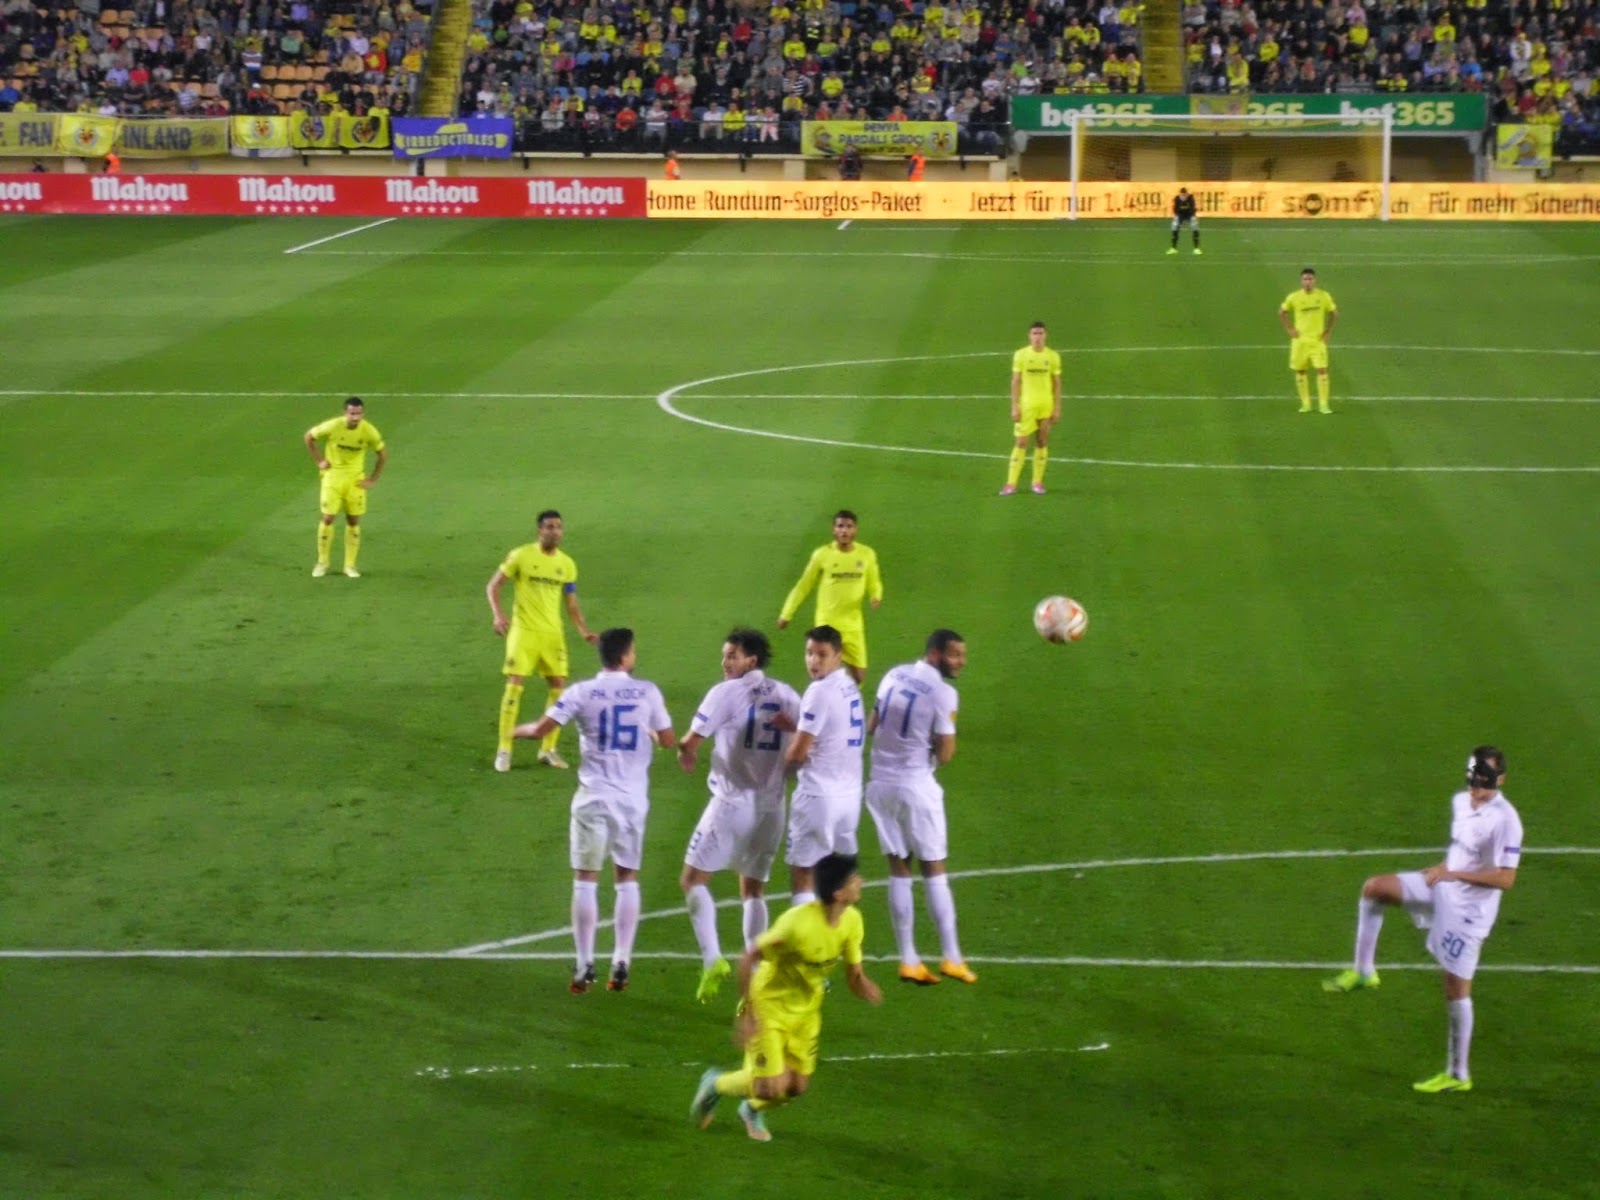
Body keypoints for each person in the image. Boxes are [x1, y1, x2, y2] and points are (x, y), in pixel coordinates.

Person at [1323, 747, 1523, 1094]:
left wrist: (1454, 874)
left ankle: (1458, 1074)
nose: (1477, 785)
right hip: (1442, 886)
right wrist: (1442, 870)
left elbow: (1506, 879)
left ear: (1501, 779)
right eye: (1473, 776)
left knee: (1455, 988)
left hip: (1469, 914)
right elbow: (1461, 851)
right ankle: (1364, 972)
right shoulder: (1460, 802)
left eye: (1485, 779)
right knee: (1374, 889)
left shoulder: (1506, 821)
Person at [514, 627, 676, 994]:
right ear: (625, 657)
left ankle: (584, 963)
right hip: (632, 800)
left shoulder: (581, 692)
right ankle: (622, 960)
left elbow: (541, 730)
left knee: (585, 879)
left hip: (593, 798)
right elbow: (668, 740)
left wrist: (513, 732)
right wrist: (650, 733)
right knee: (627, 877)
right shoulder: (647, 691)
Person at [688, 852, 883, 1142]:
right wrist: (748, 1013)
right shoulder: (796, 926)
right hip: (769, 1007)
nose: (861, 882)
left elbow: (854, 973)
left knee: (796, 1087)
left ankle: (750, 1109)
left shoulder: (852, 921)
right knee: (767, 1087)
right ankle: (715, 1084)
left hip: (806, 1011)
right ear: (839, 893)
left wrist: (863, 985)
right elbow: (749, 957)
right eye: (854, 879)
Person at [677, 628, 802, 1003]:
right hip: (773, 807)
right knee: (753, 889)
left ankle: (712, 959)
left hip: (731, 804)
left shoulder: (725, 692)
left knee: (692, 880)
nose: (725, 662)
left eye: (732, 655)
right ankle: (757, 973)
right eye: (725, 654)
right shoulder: (788, 695)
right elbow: (808, 744)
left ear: (751, 660)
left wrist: (685, 753)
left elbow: (690, 741)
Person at [865, 629, 976, 985]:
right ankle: (952, 957)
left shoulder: (893, 674)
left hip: (879, 785)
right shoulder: (944, 693)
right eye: (956, 655)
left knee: (899, 871)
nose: (961, 662)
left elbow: (871, 725)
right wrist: (926, 755)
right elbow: (946, 752)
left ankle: (909, 959)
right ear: (935, 654)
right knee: (934, 870)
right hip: (915, 787)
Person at [486, 510, 601, 773]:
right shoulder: (521, 555)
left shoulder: (567, 564)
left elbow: (571, 603)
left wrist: (583, 630)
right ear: (539, 530)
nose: (555, 531)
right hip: (524, 632)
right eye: (549, 527)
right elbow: (493, 585)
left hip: (552, 635)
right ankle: (504, 749)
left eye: (558, 527)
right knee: (514, 685)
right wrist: (498, 615)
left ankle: (548, 749)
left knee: (559, 688)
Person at [781, 625, 865, 906]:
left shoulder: (819, 691)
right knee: (840, 879)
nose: (813, 661)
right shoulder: (850, 686)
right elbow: (833, 730)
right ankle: (841, 930)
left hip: (818, 797)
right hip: (849, 798)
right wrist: (795, 727)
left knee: (803, 874)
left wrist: (780, 775)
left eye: (821, 654)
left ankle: (806, 936)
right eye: (809, 653)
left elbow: (798, 753)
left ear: (838, 656)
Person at [777, 510, 883, 684]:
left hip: (853, 624)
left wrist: (875, 595)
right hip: (827, 623)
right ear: (834, 529)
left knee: (859, 676)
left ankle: (845, 697)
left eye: (849, 526)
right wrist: (786, 613)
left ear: (855, 529)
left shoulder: (867, 554)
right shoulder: (822, 554)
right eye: (840, 526)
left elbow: (874, 581)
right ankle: (820, 699)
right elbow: (803, 586)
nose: (844, 531)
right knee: (822, 671)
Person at [303, 396, 386, 579]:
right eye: (352, 414)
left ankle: (350, 566)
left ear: (362, 413)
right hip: (332, 478)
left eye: (358, 414)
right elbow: (309, 437)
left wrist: (373, 480)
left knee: (353, 521)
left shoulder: (368, 431)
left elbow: (382, 454)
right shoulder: (333, 426)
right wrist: (319, 461)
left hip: (355, 481)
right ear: (345, 413)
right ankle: (322, 562)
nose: (355, 417)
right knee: (328, 518)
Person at [1000, 320, 1062, 496]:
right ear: (1029, 336)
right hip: (1026, 406)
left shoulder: (1053, 356)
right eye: (1035, 333)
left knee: (1042, 441)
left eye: (1040, 333)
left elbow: (1057, 383)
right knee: (1021, 442)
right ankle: (1011, 484)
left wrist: (1057, 407)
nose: (1037, 337)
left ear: (1046, 335)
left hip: (1046, 405)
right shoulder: (1020, 355)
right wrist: (1014, 405)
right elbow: (1015, 381)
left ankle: (1037, 482)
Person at [1278, 267, 1338, 414]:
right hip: (1300, 342)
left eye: (1310, 279)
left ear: (1314, 280)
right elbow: (1282, 312)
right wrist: (1289, 328)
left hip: (1317, 341)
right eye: (1305, 279)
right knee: (1300, 371)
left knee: (1322, 370)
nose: (1308, 282)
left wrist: (1328, 331)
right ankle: (1306, 404)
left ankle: (1323, 405)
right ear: (1301, 281)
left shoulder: (1323, 296)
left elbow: (1334, 313)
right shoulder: (1294, 297)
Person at [1168, 186, 1201, 255]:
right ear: (1180, 194)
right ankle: (1173, 248)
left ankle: (1196, 248)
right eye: (1182, 194)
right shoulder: (1177, 198)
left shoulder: (1190, 198)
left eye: (1185, 194)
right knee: (1174, 227)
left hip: (1189, 214)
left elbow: (1193, 207)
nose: (1184, 196)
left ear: (1187, 194)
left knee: (1195, 227)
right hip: (1180, 214)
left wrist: (1192, 215)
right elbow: (1175, 208)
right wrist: (1177, 216)